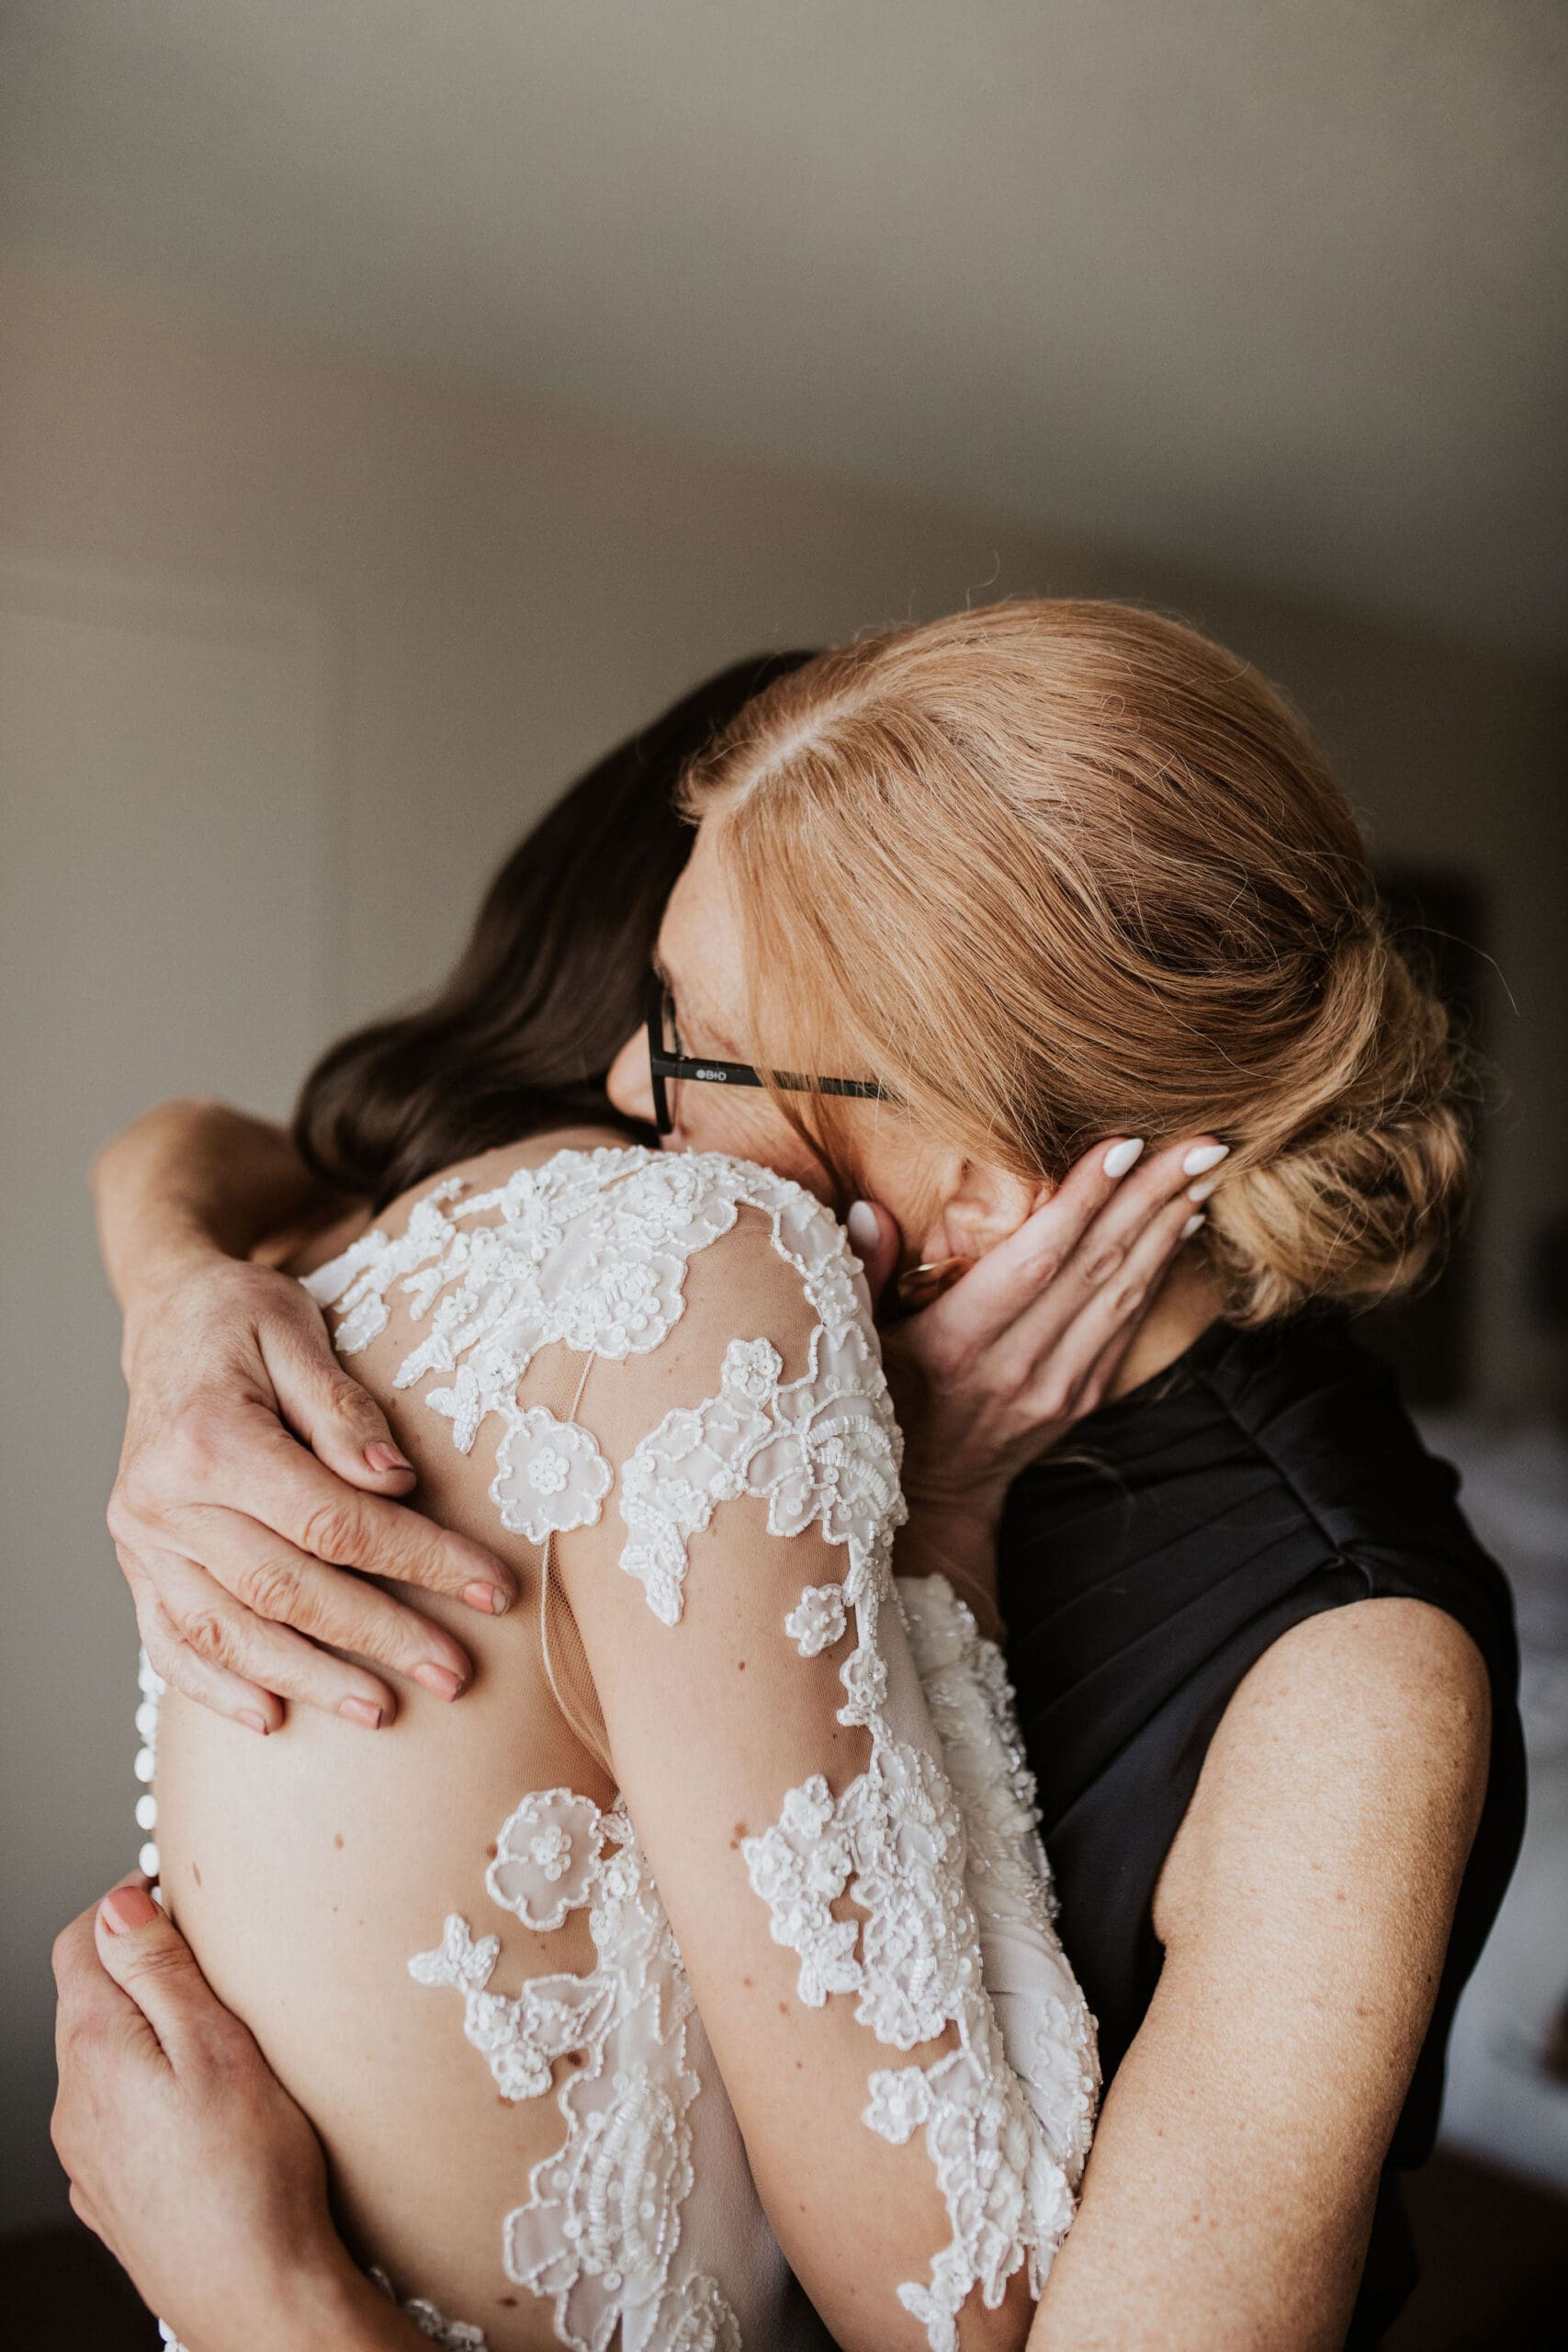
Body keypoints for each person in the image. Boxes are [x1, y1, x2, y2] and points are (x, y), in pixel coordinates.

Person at [55, 605, 1525, 2349]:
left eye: (689, 1040)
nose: (619, 1086)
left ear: (980, 1189)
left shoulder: (1351, 1684)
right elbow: (249, 1149)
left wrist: (262, 2296)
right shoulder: (770, 1281)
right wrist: (181, 1309)